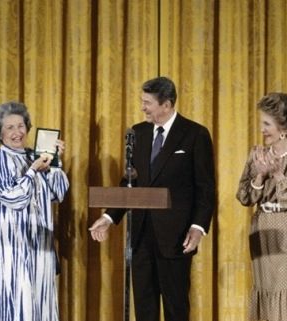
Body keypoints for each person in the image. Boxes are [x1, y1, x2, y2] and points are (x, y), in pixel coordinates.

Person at [89, 76, 216, 321]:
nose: (142, 107)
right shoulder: (137, 133)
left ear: (166, 105)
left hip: (176, 237)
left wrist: (198, 227)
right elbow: (129, 184)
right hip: (140, 237)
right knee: (144, 309)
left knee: (176, 308)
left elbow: (206, 188)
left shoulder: (194, 134)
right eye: (142, 101)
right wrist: (107, 217)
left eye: (147, 102)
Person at [236, 92, 287, 321]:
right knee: (264, 288)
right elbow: (244, 196)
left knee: (285, 287)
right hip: (261, 228)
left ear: (283, 127)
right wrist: (260, 177)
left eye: (267, 124)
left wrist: (279, 175)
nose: (262, 129)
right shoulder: (257, 155)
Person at [0, 101, 69, 321]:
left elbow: (58, 194)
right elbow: (13, 198)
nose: (17, 132)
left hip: (41, 245)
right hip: (13, 247)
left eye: (21, 126)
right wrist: (32, 171)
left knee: (42, 306)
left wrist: (56, 163)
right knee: (17, 306)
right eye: (10, 127)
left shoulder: (36, 155)